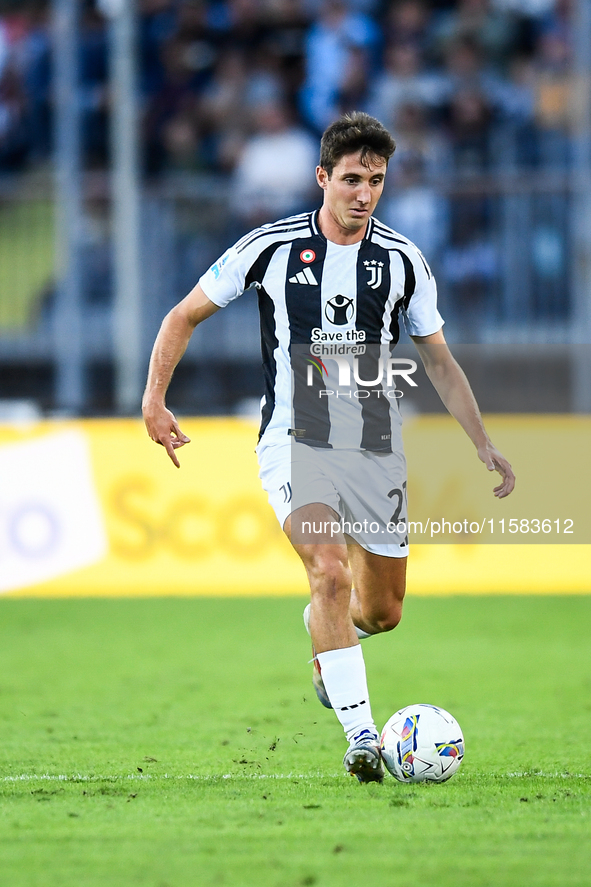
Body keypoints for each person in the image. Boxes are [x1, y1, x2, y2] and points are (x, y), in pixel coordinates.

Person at [142, 111, 515, 785]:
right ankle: (363, 736)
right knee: (329, 567)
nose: (363, 193)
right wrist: (154, 399)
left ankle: (325, 630)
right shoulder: (269, 246)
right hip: (294, 434)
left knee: (380, 611)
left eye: (375, 180)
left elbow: (437, 359)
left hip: (373, 442)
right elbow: (182, 315)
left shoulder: (402, 260)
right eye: (350, 179)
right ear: (322, 178)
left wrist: (481, 442)